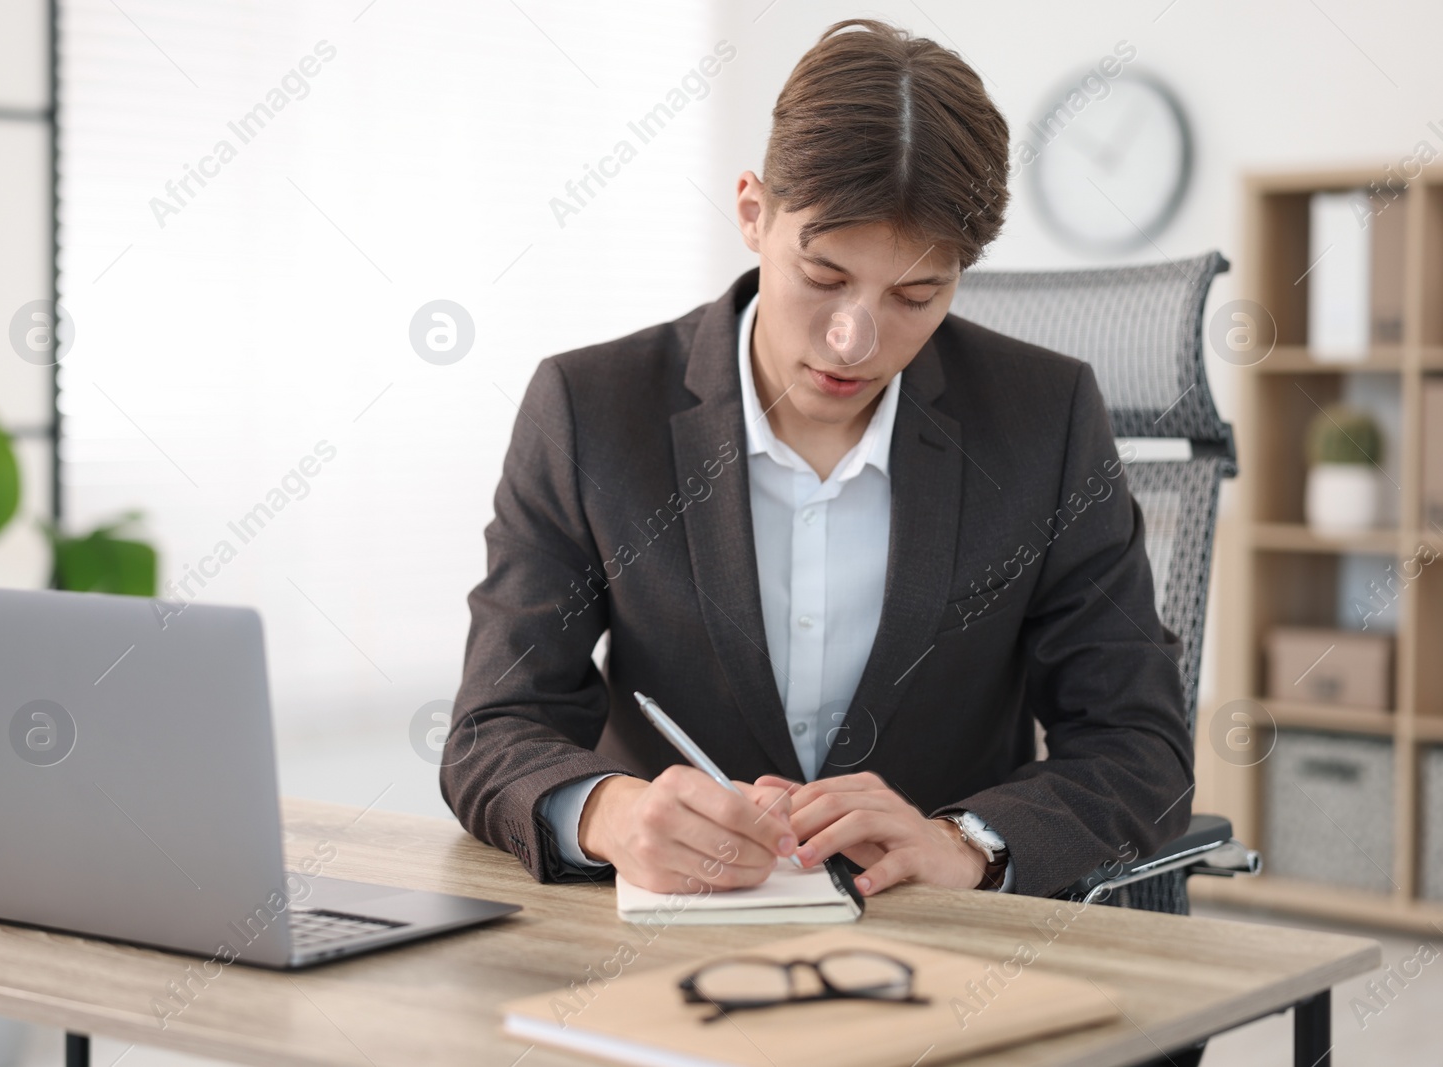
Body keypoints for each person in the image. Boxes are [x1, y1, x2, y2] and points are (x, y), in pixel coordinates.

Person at [440, 18, 1192, 908]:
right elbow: (496, 724)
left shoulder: (1046, 418)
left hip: (945, 956)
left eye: (916, 295)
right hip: (668, 946)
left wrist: (965, 842)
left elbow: (1139, 746)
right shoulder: (591, 409)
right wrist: (609, 811)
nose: (855, 339)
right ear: (754, 212)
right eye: (825, 277)